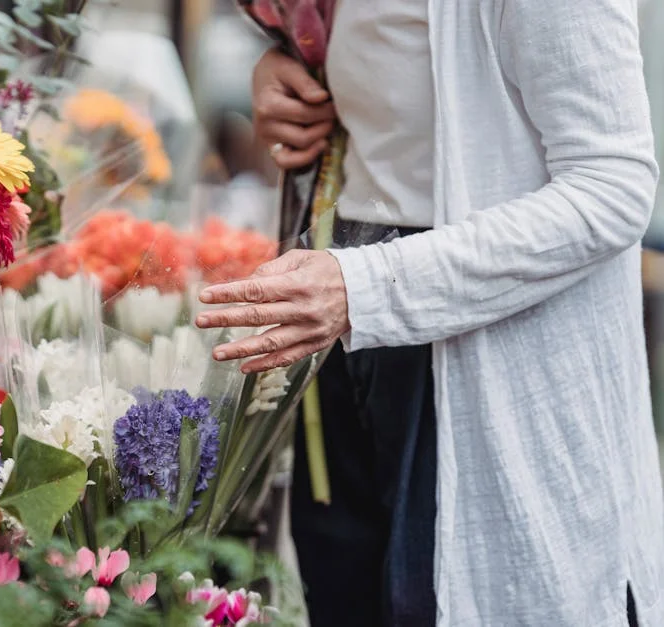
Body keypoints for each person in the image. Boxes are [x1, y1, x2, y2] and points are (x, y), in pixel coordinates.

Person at [195, 0, 664, 625]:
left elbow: (612, 185)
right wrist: (290, 69)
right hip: (345, 330)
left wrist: (365, 289)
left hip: (472, 349)